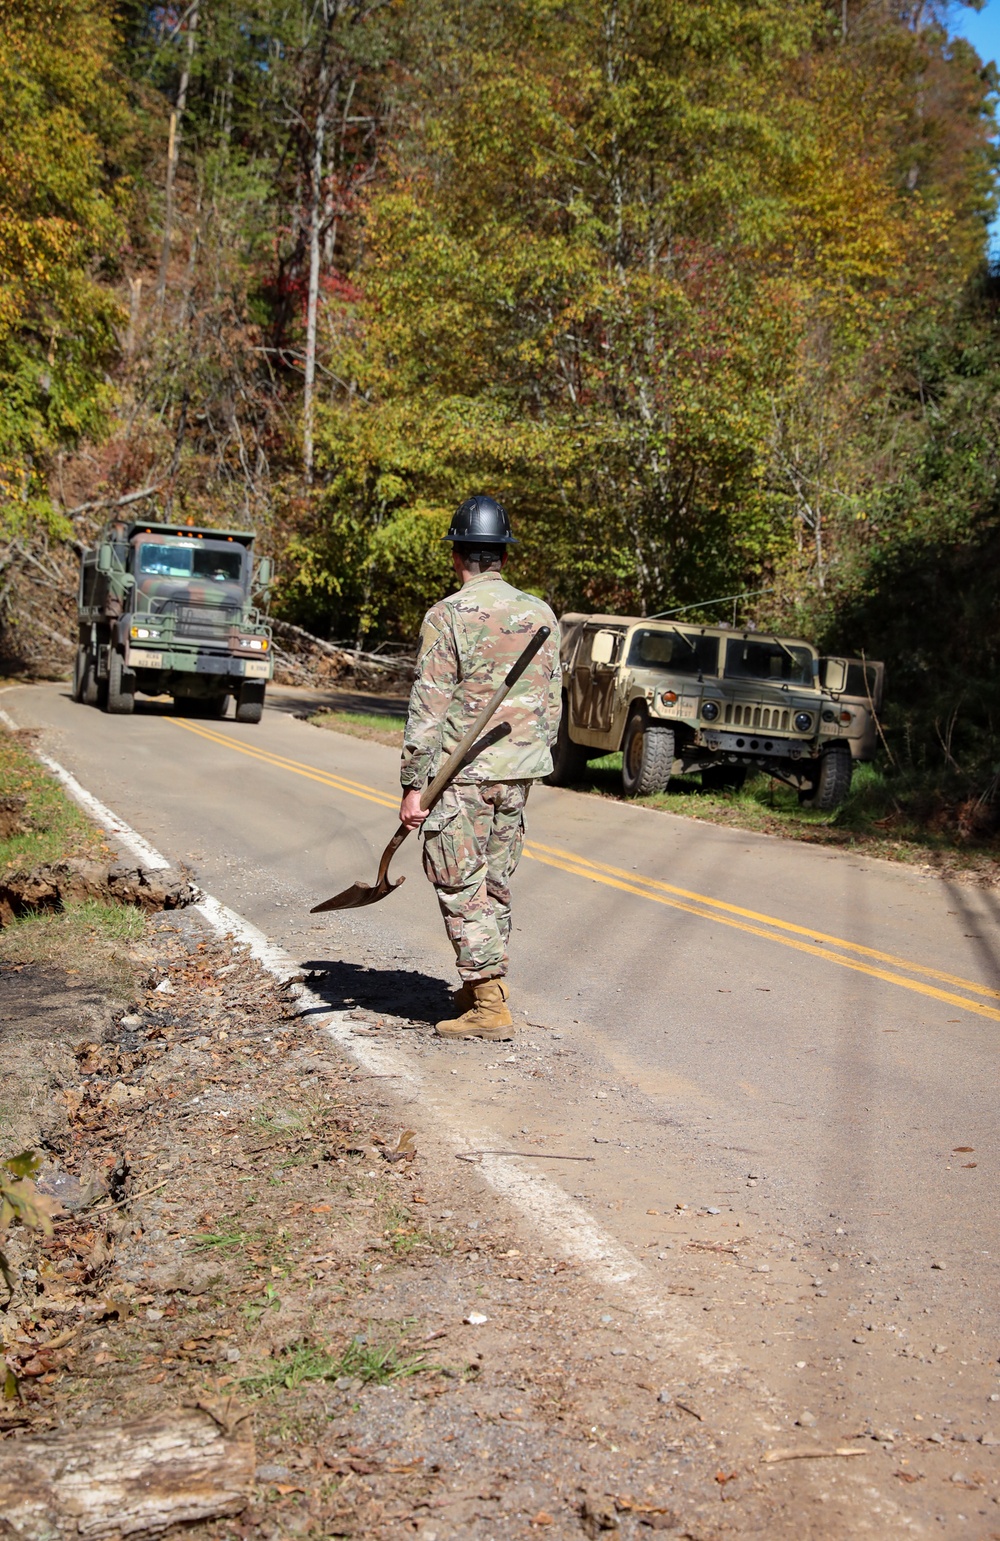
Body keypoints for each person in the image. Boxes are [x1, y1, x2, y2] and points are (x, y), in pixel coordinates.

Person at [398, 494, 561, 1040]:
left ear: (457, 556)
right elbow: (552, 699)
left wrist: (413, 786)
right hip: (518, 770)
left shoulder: (448, 615)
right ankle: (481, 987)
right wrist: (537, 756)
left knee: (457, 880)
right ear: (502, 557)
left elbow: (429, 707)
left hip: (462, 775)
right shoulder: (540, 614)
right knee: (491, 882)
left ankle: (489, 1006)